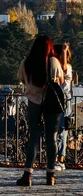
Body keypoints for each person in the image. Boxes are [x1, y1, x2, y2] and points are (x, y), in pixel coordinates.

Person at [16, 35, 64, 186]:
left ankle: (28, 174)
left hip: (33, 101)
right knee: (52, 138)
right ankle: (50, 175)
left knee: (34, 138)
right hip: (51, 103)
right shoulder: (53, 61)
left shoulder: (27, 62)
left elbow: (22, 78)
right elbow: (61, 80)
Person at [54, 43, 72, 172]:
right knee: (60, 130)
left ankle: (59, 159)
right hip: (62, 99)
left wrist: (64, 52)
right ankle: (59, 158)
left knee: (61, 130)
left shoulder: (66, 67)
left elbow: (64, 67)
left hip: (64, 100)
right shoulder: (57, 67)